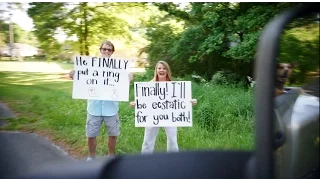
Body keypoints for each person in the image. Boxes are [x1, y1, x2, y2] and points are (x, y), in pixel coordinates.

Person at [70, 40, 133, 161]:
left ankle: (111, 156)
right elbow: (83, 81)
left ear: (112, 52)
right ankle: (91, 157)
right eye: (104, 49)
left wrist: (128, 79)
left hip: (111, 109)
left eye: (109, 50)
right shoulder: (90, 65)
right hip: (94, 107)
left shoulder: (119, 68)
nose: (106, 51)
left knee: (113, 134)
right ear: (100, 50)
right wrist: (75, 76)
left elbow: (121, 85)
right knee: (91, 135)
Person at [129, 61, 197, 154]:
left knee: (173, 140)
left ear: (167, 71)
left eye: (164, 68)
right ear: (156, 70)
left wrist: (190, 102)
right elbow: (144, 101)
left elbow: (181, 101)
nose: (162, 70)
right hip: (152, 116)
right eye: (159, 68)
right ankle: (145, 161)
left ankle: (172, 161)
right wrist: (136, 103)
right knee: (148, 140)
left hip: (170, 116)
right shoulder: (148, 85)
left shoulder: (174, 86)